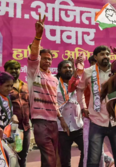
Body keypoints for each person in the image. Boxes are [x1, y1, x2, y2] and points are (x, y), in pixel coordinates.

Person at [27, 14, 69, 167]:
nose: (47, 61)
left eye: (50, 59)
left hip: (53, 122)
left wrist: (61, 120)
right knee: (50, 159)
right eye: (44, 58)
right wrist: (38, 36)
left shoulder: (54, 79)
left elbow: (54, 102)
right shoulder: (34, 72)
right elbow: (33, 55)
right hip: (40, 121)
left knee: (51, 160)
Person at [76, 46, 116, 167]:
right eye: (102, 54)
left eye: (107, 54)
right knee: (93, 159)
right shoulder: (88, 72)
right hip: (96, 120)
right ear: (95, 57)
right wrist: (83, 107)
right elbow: (80, 89)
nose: (106, 56)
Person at [56, 59, 85, 167]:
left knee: (86, 150)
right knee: (65, 158)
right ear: (59, 70)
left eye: (70, 67)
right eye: (65, 67)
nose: (68, 69)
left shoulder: (78, 83)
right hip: (61, 128)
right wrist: (61, 120)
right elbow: (53, 104)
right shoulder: (54, 84)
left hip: (78, 126)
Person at [4, 60, 31, 167]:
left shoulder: (25, 86)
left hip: (25, 127)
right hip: (11, 128)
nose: (14, 71)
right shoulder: (3, 86)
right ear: (6, 70)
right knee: (11, 155)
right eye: (11, 69)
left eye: (17, 69)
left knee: (23, 155)